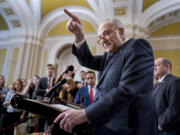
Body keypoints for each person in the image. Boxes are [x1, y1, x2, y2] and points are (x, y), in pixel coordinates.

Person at [54, 9, 158, 135]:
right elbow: (88, 60)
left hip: (130, 128)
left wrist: (85, 114)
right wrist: (79, 35)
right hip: (105, 125)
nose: (103, 40)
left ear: (121, 32)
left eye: (107, 34)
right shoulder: (108, 56)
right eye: (100, 38)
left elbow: (126, 90)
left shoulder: (137, 47)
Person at [154, 58, 180, 135]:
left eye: (157, 65)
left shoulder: (175, 81)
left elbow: (175, 107)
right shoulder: (156, 85)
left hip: (170, 130)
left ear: (167, 66)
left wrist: (159, 124)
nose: (154, 68)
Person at [34, 64, 56, 133]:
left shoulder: (56, 80)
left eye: (51, 69)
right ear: (46, 70)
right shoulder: (42, 79)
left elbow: (58, 92)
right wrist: (45, 90)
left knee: (49, 126)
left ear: (54, 71)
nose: (50, 70)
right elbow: (36, 92)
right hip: (42, 105)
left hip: (52, 106)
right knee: (40, 124)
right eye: (48, 69)